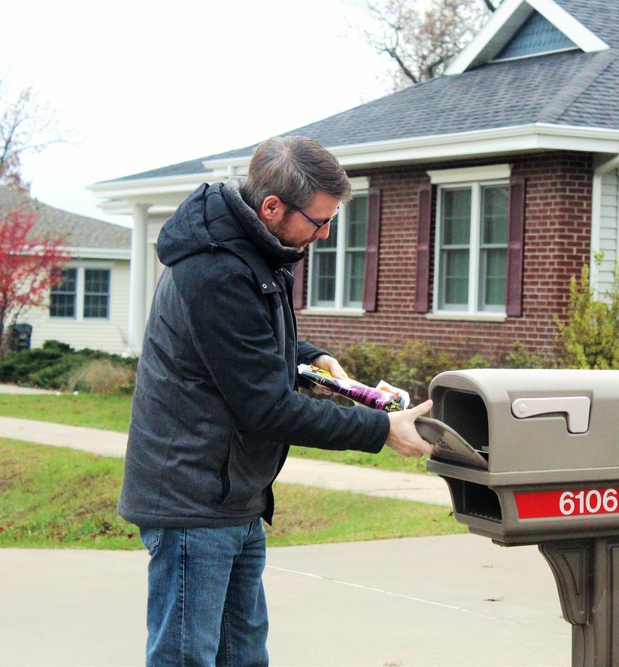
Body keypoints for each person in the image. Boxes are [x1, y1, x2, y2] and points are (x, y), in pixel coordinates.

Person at [117, 135, 434, 667]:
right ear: (271, 207)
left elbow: (250, 344)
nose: (326, 233)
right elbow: (264, 406)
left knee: (244, 656)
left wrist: (317, 360)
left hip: (234, 496)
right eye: (319, 221)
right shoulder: (215, 269)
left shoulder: (253, 252)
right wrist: (381, 432)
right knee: (186, 658)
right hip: (193, 500)